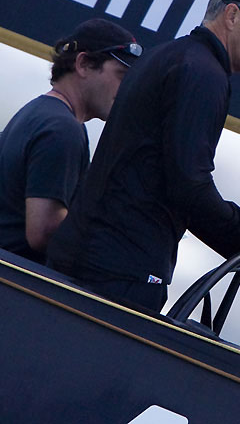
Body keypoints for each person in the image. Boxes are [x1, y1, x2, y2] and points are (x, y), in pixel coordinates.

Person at [47, 0, 240, 312]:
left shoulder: (168, 55)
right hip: (117, 273)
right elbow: (189, 186)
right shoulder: (204, 74)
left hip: (89, 257)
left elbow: (175, 185)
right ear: (231, 16)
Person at [0, 18, 142, 264]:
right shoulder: (62, 129)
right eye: (122, 76)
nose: (127, 90)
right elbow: (43, 231)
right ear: (84, 64)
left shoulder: (37, 113)